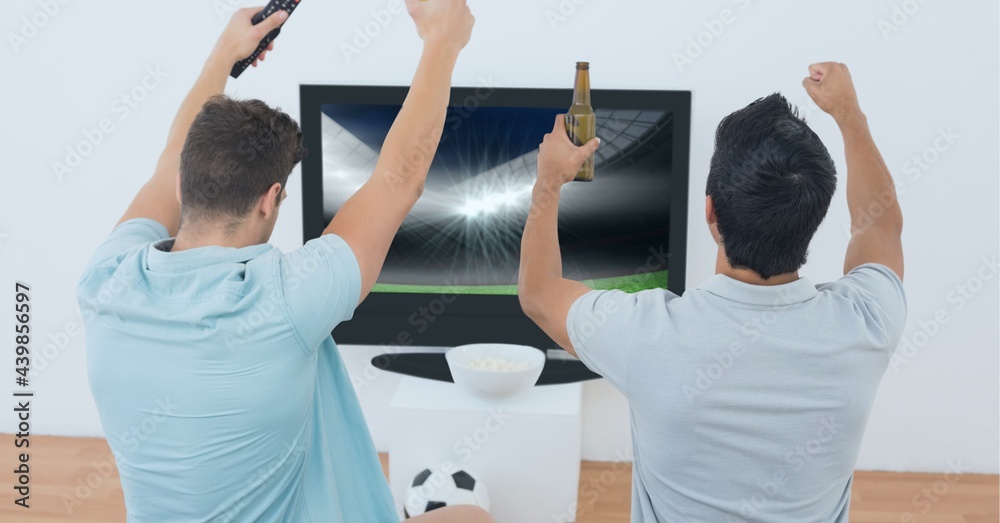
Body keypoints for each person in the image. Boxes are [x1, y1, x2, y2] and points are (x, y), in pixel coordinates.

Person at [76, 2, 491, 522]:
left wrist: (226, 52)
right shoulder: (285, 301)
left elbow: (166, 166)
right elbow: (399, 179)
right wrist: (442, 41)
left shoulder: (105, 280)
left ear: (185, 185)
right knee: (472, 517)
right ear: (270, 199)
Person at [519, 63, 905, 522]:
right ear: (814, 219)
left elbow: (539, 294)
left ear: (710, 214)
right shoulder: (866, 324)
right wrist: (849, 116)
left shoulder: (647, 336)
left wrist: (547, 181)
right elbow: (879, 222)